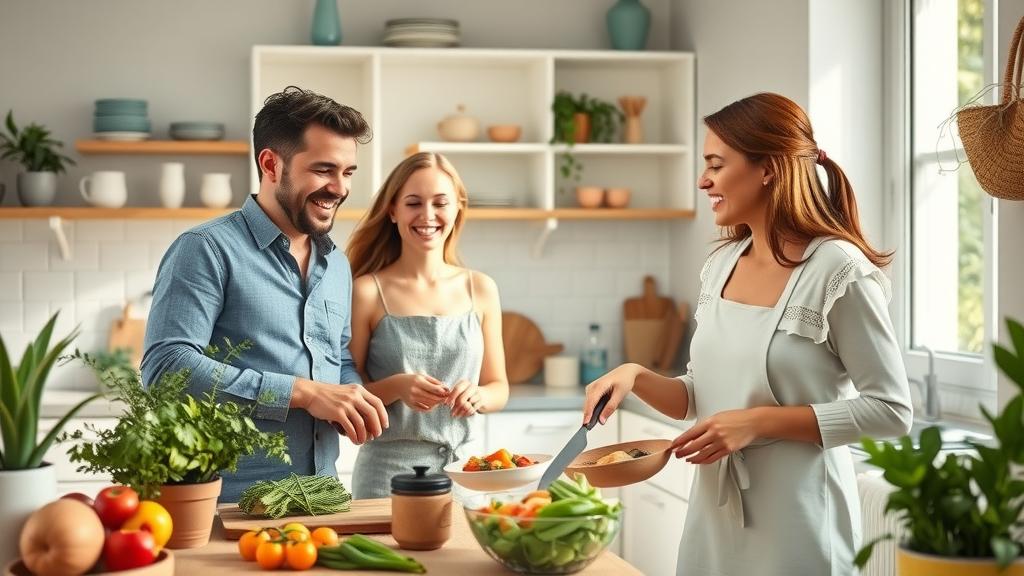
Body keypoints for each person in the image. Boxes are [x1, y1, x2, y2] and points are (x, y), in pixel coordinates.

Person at [581, 92, 913, 576]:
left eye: (715, 164)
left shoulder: (836, 270)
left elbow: (891, 409)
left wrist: (757, 422)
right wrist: (634, 375)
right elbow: (700, 395)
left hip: (801, 524)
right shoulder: (720, 265)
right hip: (713, 522)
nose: (703, 180)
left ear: (768, 169)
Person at [142, 86, 389, 503]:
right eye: (324, 169)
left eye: (348, 173)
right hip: (226, 503)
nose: (339, 188)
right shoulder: (206, 249)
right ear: (271, 164)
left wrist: (351, 398)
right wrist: (305, 393)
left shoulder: (337, 265)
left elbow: (337, 357)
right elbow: (167, 369)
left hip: (322, 497)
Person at [345, 151, 508, 499]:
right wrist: (397, 386)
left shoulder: (481, 288)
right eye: (413, 203)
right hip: (385, 477)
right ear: (392, 211)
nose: (428, 215)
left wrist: (478, 395)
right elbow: (346, 393)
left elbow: (499, 387)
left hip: (465, 474)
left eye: (440, 203)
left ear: (458, 208)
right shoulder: (366, 291)